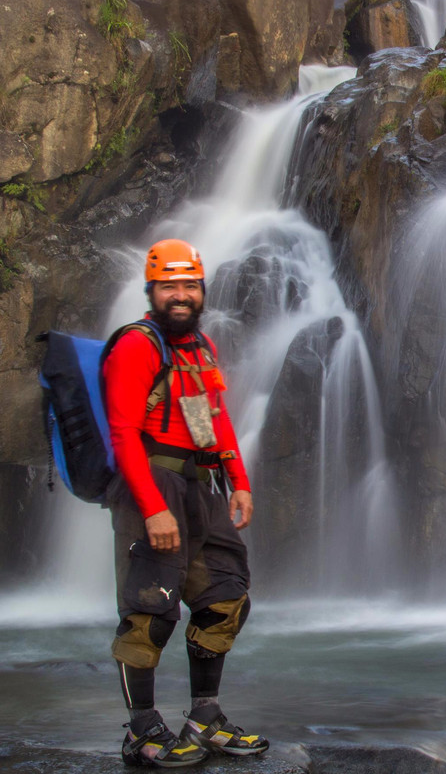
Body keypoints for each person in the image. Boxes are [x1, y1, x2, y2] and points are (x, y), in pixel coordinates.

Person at [103, 238, 268, 767]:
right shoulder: (137, 345)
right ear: (151, 290)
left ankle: (205, 717)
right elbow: (124, 433)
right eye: (169, 286)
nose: (180, 295)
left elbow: (210, 420)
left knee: (225, 595)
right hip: (150, 483)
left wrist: (237, 478)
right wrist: (153, 508)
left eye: (189, 285)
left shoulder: (197, 348)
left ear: (201, 290)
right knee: (149, 609)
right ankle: (142, 730)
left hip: (200, 487)